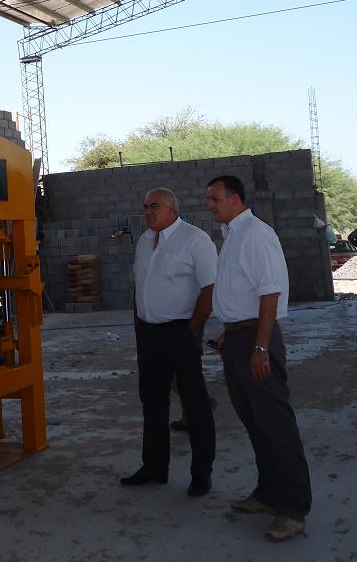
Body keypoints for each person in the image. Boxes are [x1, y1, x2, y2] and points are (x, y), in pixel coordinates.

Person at [206, 175, 312, 542]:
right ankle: (268, 494)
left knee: (276, 425)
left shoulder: (255, 234)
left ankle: (293, 510)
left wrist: (261, 346)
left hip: (257, 339)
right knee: (255, 422)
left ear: (235, 199)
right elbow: (242, 292)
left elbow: (270, 293)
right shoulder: (232, 235)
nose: (210, 205)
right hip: (239, 338)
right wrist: (230, 333)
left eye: (215, 199)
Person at [120, 187, 217, 497]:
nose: (147, 211)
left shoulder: (195, 240)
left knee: (195, 403)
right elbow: (141, 286)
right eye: (145, 206)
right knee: (152, 402)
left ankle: (201, 475)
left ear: (172, 209)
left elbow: (210, 289)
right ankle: (154, 467)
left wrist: (192, 330)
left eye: (154, 206)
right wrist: (139, 321)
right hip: (148, 334)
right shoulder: (144, 241)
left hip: (181, 331)